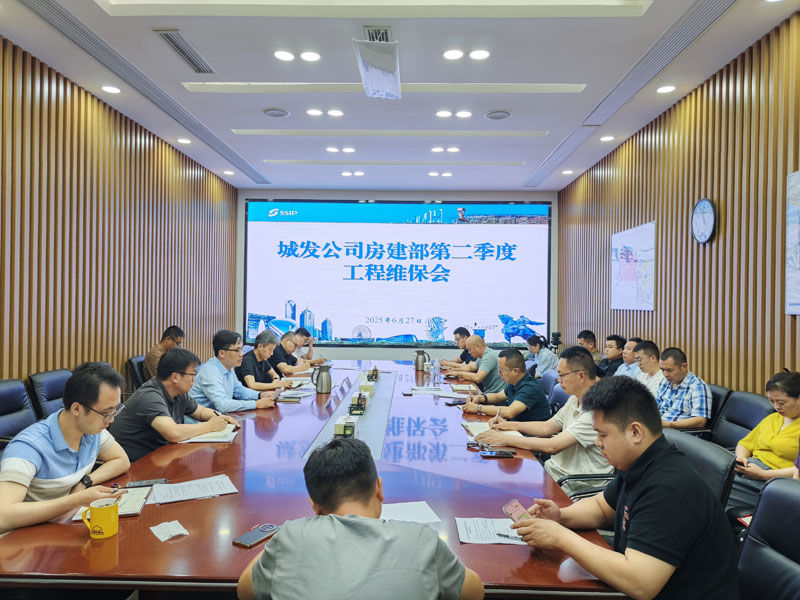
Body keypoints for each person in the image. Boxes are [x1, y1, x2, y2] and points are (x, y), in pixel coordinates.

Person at [511, 376, 739, 600]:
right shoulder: (639, 461)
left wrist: (560, 537)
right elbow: (602, 507)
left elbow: (641, 584)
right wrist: (560, 517)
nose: (597, 442)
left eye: (603, 434)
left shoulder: (669, 488)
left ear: (635, 432)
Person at [237, 438, 484, 600]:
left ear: (315, 506)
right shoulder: (421, 540)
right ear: (379, 489)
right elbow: (475, 592)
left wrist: (280, 541)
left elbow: (245, 590)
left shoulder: (291, 537)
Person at [0, 362, 130, 534]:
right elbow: (3, 516)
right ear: (76, 408)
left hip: (66, 524)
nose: (111, 420)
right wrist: (76, 500)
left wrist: (85, 482)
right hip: (28, 537)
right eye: (106, 413)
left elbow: (121, 460)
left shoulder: (91, 430)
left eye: (115, 410)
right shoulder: (28, 447)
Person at [476, 346, 612, 494]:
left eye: (562, 375)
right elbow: (547, 427)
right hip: (555, 472)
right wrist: (509, 425)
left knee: (503, 490)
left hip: (574, 484)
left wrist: (504, 438)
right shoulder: (575, 399)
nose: (559, 380)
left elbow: (553, 446)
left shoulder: (596, 411)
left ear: (580, 376)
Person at [109, 348, 239, 462]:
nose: (194, 379)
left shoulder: (179, 392)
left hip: (160, 456)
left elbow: (199, 412)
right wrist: (210, 426)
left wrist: (221, 417)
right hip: (135, 465)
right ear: (175, 377)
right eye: (192, 374)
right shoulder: (150, 396)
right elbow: (173, 433)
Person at [726, 371, 800, 513]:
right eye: (771, 401)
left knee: (719, 490)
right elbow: (745, 444)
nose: (776, 407)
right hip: (750, 469)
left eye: (781, 402)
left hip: (775, 480)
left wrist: (762, 475)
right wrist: (741, 458)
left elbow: (798, 470)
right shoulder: (773, 418)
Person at [190, 330, 276, 413]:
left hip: (218, 417)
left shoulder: (228, 367)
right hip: (201, 421)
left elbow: (239, 390)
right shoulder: (210, 372)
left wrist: (260, 395)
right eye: (237, 350)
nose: (241, 354)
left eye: (241, 349)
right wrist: (256, 404)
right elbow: (223, 405)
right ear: (222, 353)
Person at [462, 349, 550, 422]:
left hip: (529, 435)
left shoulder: (530, 387)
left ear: (515, 371)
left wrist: (478, 408)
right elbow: (497, 397)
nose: (499, 373)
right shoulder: (514, 382)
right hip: (515, 427)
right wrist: (479, 398)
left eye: (501, 370)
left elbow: (509, 412)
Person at [655, 347, 710, 429]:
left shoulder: (697, 387)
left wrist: (670, 425)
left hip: (678, 432)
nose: (665, 374)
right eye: (662, 370)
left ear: (684, 366)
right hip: (658, 427)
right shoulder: (665, 382)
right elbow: (655, 407)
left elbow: (700, 421)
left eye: (669, 370)